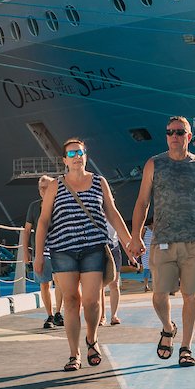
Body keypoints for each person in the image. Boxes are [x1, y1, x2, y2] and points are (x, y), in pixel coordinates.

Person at [130, 116, 195, 369]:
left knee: (189, 295)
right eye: (170, 132)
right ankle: (168, 328)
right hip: (163, 240)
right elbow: (142, 203)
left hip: (194, 240)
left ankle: (186, 347)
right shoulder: (154, 164)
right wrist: (135, 236)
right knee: (159, 296)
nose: (174, 136)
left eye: (180, 132)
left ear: (189, 137)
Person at [34, 137, 134, 372]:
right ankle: (74, 353)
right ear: (64, 160)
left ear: (86, 156)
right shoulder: (55, 186)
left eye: (80, 152)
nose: (76, 157)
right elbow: (43, 221)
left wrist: (129, 241)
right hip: (63, 250)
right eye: (71, 154)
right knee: (70, 301)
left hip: (93, 248)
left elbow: (112, 213)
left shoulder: (99, 182)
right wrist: (39, 255)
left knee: (91, 301)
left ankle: (92, 339)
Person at [21, 175, 62, 329]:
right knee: (44, 284)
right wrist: (26, 252)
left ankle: (58, 313)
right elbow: (26, 230)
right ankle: (50, 315)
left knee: (60, 283)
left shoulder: (59, 205)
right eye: (42, 188)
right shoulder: (34, 207)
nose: (44, 190)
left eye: (48, 187)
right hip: (40, 252)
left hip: (58, 249)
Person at [141, 216, 154, 291]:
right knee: (146, 268)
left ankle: (155, 285)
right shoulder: (145, 229)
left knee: (154, 268)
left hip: (154, 251)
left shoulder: (157, 229)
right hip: (146, 251)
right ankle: (145, 285)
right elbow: (141, 238)